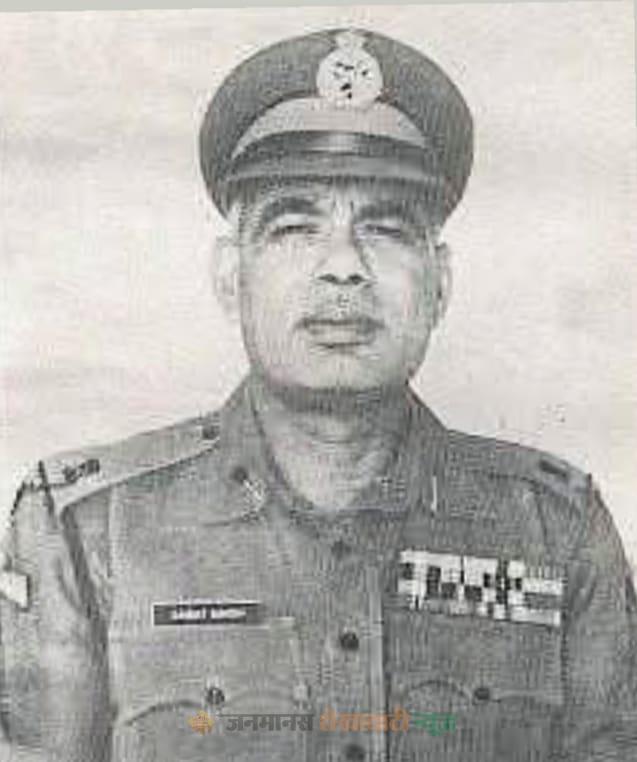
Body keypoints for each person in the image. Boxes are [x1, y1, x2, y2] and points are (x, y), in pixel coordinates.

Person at [0, 27, 635, 762]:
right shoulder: (89, 530)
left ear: (440, 284)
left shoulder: (554, 529)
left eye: (385, 229)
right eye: (295, 227)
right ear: (231, 277)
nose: (343, 266)